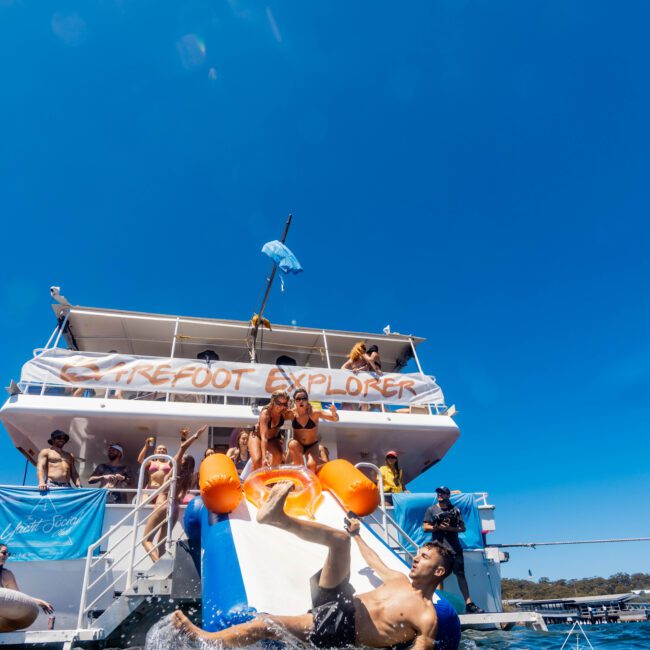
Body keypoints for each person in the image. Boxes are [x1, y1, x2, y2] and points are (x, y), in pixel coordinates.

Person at [172, 482, 460, 649]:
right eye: (418, 553)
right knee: (339, 540)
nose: (415, 557)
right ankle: (276, 518)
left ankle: (207, 640)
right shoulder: (398, 578)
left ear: (438, 571)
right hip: (339, 598)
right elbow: (374, 561)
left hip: (340, 628)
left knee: (265, 624)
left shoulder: (427, 618)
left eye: (423, 557)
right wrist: (357, 535)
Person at [137, 425, 207, 562]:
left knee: (146, 541)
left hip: (162, 505)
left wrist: (195, 436)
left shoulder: (174, 469)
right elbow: (181, 497)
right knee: (161, 544)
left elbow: (182, 448)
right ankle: (165, 572)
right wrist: (185, 438)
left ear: (181, 462)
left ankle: (159, 567)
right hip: (174, 508)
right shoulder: (186, 478)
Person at [423, 486, 483, 614]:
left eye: (443, 493)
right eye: (438, 492)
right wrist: (437, 527)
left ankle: (469, 604)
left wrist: (450, 528)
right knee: (439, 576)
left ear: (448, 496)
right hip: (439, 550)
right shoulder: (431, 509)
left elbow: (462, 528)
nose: (440, 494)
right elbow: (425, 527)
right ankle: (440, 604)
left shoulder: (455, 510)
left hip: (455, 548)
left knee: (460, 575)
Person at [0, 542, 53, 631]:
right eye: (4, 553)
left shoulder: (6, 575)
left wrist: (39, 602)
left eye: (8, 554)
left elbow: (17, 598)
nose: (7, 556)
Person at [285, 390, 338, 472]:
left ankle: (322, 456)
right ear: (294, 401)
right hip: (298, 445)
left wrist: (334, 413)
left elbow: (335, 419)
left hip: (311, 445)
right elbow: (277, 418)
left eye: (304, 398)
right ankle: (300, 472)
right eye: (298, 399)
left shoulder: (314, 413)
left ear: (307, 400)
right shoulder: (291, 413)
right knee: (292, 444)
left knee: (311, 465)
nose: (301, 401)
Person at [249, 391, 290, 470]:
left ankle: (271, 477)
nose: (281, 406)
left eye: (284, 404)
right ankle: (255, 479)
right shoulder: (266, 413)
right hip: (258, 437)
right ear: (273, 401)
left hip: (272, 438)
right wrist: (264, 457)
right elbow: (264, 437)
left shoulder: (284, 412)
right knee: (258, 460)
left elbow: (297, 413)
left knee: (278, 456)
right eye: (278, 403)